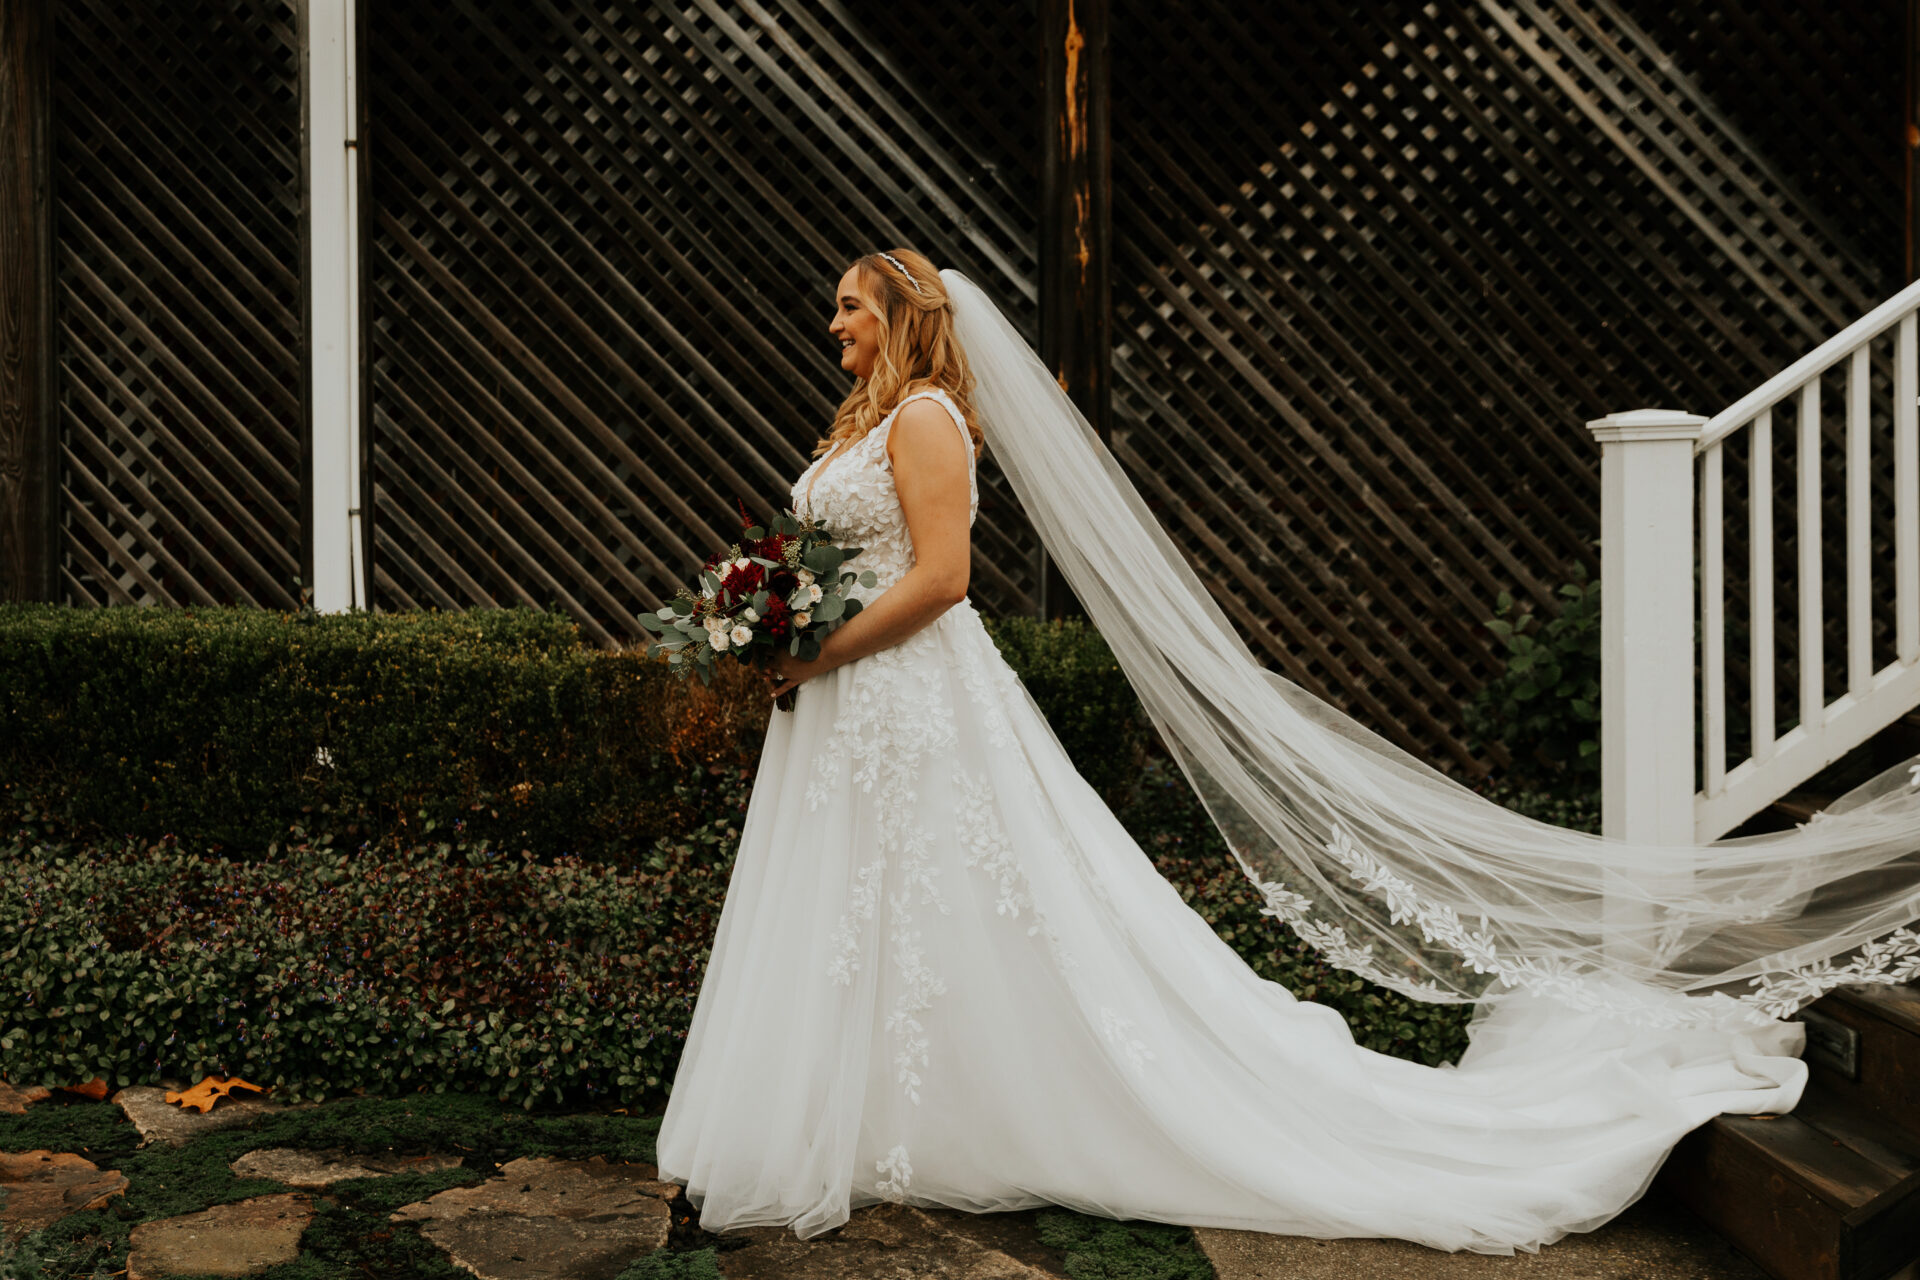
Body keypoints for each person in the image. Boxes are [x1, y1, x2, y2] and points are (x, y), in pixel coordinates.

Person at [654, 247, 1920, 1250]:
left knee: (980, 903)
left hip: (909, 696)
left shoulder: (927, 415)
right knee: (876, 908)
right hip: (850, 708)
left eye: (850, 307)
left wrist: (811, 649)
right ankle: (875, 1112)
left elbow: (943, 577)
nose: (836, 325)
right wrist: (768, 614)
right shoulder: (862, 416)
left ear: (903, 313)